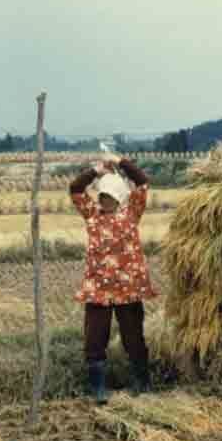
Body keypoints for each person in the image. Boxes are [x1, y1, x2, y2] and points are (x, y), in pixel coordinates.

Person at [69, 156, 157, 404]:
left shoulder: (132, 213)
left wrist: (122, 163)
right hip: (99, 289)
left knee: (133, 336)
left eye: (110, 196)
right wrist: (96, 171)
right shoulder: (92, 215)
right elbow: (75, 188)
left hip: (129, 288)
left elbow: (142, 183)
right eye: (103, 196)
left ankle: (143, 382)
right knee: (95, 338)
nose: (105, 200)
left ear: (120, 197)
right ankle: (98, 387)